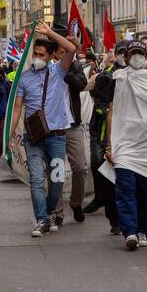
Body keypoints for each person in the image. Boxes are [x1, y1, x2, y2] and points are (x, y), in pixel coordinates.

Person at [12, 21, 77, 237]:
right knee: (37, 180)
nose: (37, 58)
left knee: (57, 180)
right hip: (34, 138)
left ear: (50, 56)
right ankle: (41, 219)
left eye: (42, 54)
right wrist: (9, 136)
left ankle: (49, 211)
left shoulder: (58, 72)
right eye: (35, 54)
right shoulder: (24, 77)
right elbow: (17, 109)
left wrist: (49, 33)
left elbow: (71, 49)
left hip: (57, 137)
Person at [106, 41, 147, 250]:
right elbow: (111, 111)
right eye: (133, 54)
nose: (136, 57)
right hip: (124, 143)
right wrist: (109, 144)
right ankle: (130, 231)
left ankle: (143, 229)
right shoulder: (117, 79)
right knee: (125, 188)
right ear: (126, 58)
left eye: (140, 53)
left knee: (145, 191)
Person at [54, 24, 91, 225]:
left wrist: (65, 71)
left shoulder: (74, 67)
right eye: (61, 52)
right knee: (56, 170)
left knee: (80, 168)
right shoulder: (47, 69)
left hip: (73, 125)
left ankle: (76, 202)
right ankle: (58, 212)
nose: (64, 55)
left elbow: (81, 85)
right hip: (54, 128)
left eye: (68, 52)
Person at [84, 45, 122, 234]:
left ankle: (137, 220)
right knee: (102, 166)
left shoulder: (138, 74)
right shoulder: (106, 75)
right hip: (103, 127)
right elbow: (95, 93)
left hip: (126, 129)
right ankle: (112, 214)